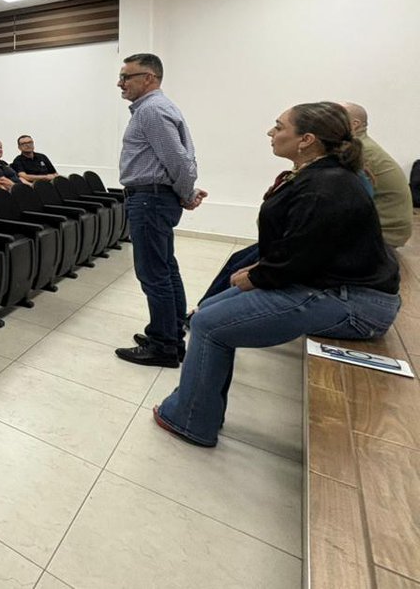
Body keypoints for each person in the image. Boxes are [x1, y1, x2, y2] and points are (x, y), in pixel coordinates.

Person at [154, 103, 400, 448]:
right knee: (206, 312)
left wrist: (258, 277)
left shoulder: (327, 185)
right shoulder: (319, 174)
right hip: (326, 282)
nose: (271, 132)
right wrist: (259, 269)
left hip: (353, 301)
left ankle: (192, 419)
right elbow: (302, 244)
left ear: (306, 140)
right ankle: (196, 402)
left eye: (279, 126)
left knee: (211, 327)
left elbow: (304, 256)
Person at [114, 53, 207, 368]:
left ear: (148, 78)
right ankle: (167, 332)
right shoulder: (161, 107)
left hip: (149, 200)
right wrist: (185, 193)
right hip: (156, 198)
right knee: (166, 269)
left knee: (154, 274)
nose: (120, 83)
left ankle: (164, 346)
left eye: (126, 76)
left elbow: (179, 160)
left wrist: (185, 193)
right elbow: (183, 158)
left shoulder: (152, 110)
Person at [343, 102, 413, 248]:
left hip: (386, 232)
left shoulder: (359, 151)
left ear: (354, 124)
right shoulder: (362, 146)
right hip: (388, 228)